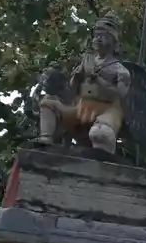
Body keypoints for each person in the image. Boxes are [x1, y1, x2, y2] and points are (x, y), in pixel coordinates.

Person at [38, 12, 131, 153]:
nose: (98, 39)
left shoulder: (120, 70)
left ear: (113, 42)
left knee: (100, 134)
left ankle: (103, 159)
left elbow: (119, 94)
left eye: (103, 36)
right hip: (81, 108)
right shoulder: (87, 61)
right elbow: (73, 88)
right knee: (48, 103)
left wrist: (96, 78)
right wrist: (76, 77)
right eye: (97, 36)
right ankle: (45, 141)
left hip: (106, 111)